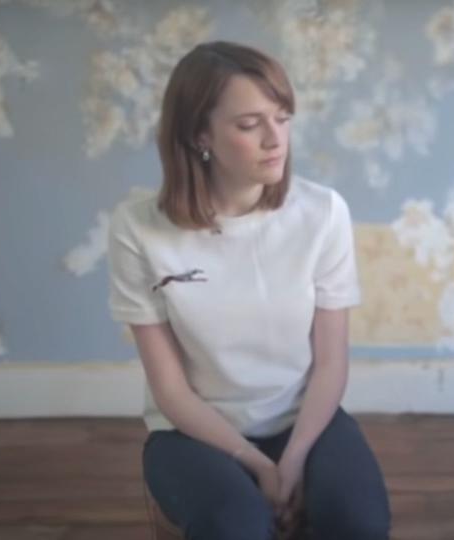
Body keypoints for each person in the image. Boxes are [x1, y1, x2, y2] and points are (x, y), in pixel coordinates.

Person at [107, 41, 390, 540]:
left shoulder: (323, 213)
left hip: (303, 420)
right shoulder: (138, 230)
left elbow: (331, 362)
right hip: (191, 434)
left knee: (359, 524)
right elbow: (170, 390)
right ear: (199, 135)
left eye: (282, 118)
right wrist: (256, 464)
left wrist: (296, 457)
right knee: (236, 526)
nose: (274, 139)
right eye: (248, 124)